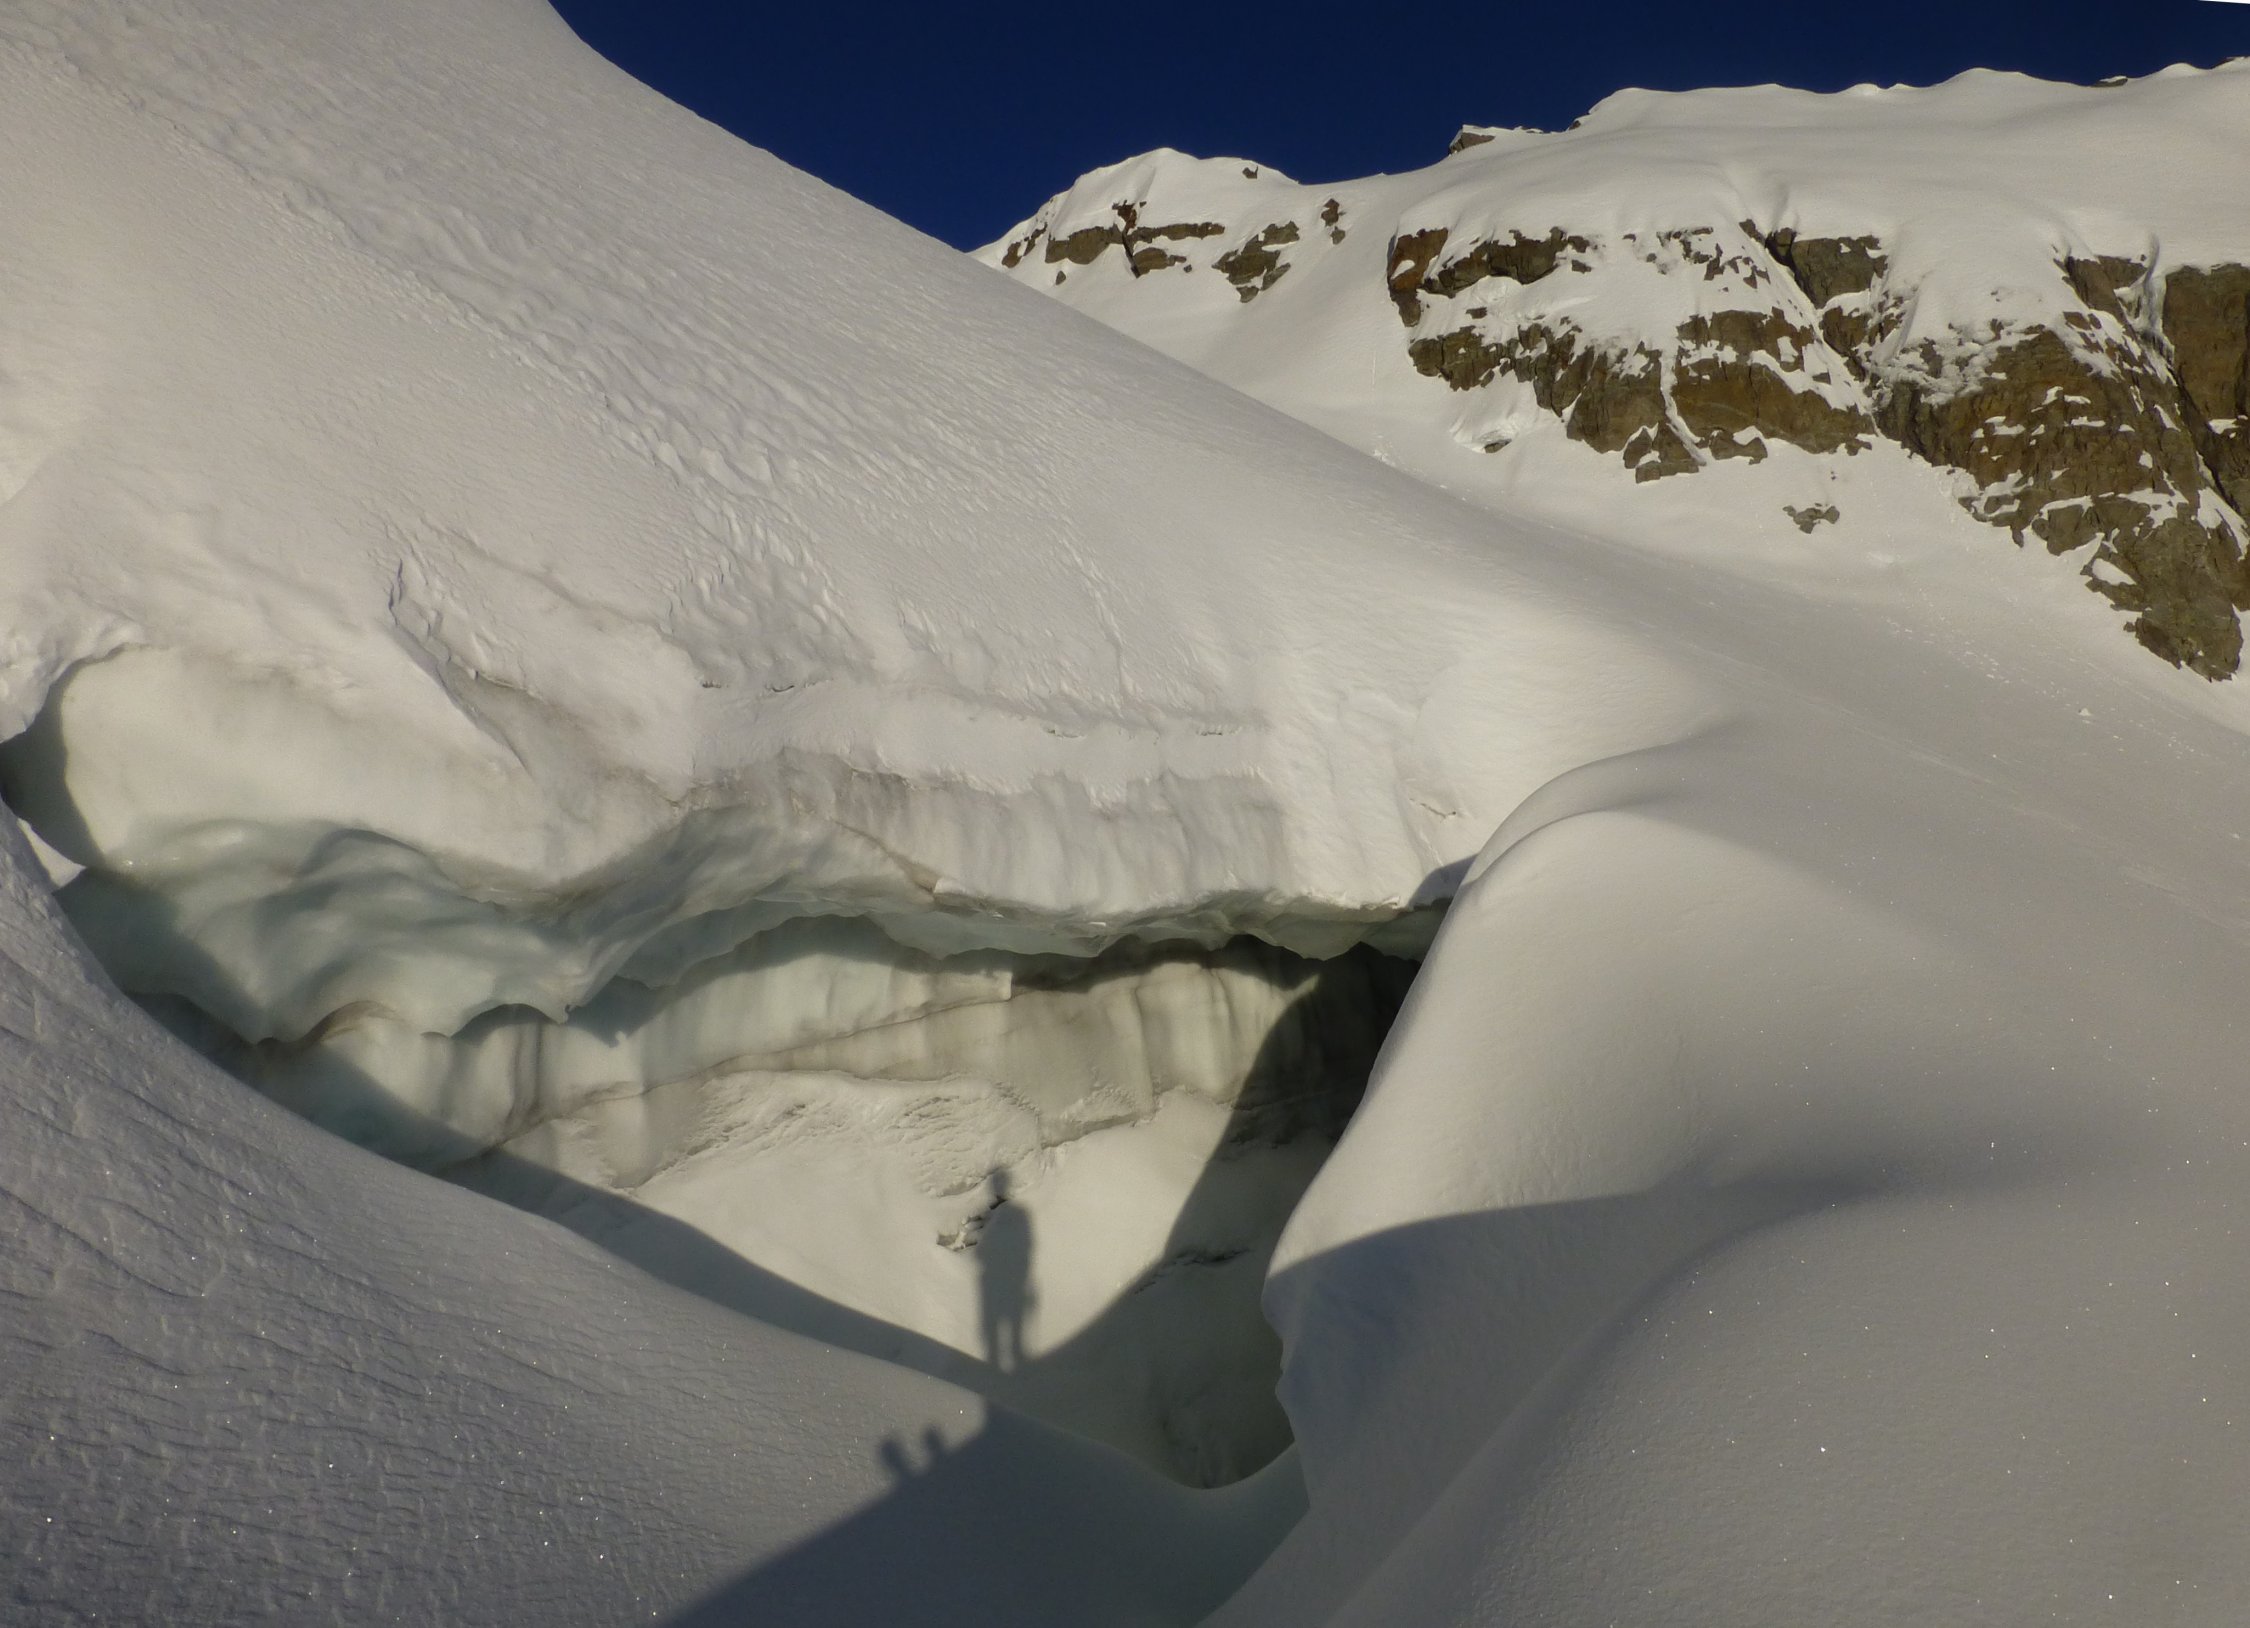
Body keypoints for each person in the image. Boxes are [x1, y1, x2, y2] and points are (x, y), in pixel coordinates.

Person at [975, 1168, 1033, 1372]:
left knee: (1008, 1323)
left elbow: (1025, 1248)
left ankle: (1010, 1364)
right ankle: (1001, 1364)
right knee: (1000, 1324)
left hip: (1010, 1278)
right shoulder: (1017, 1215)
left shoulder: (1016, 1214)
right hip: (1002, 1279)